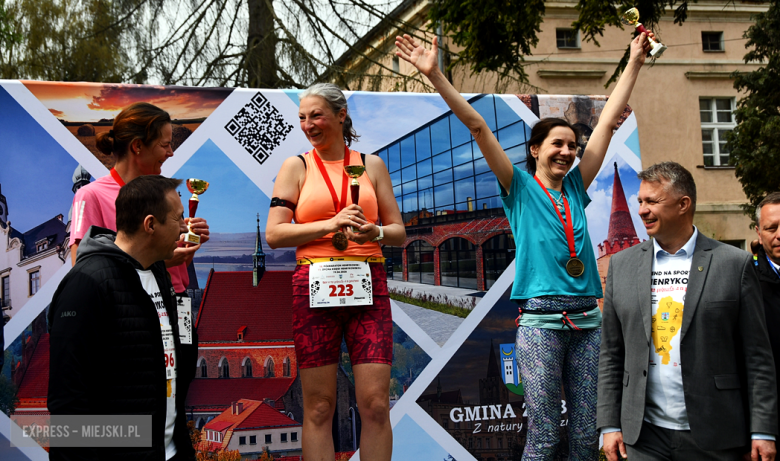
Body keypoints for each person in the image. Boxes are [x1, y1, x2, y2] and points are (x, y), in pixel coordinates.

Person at [396, 33, 650, 459]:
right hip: (541, 324)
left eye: (572, 145)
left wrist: (636, 61)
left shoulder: (576, 187)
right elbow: (478, 126)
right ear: (534, 150)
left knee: (587, 436)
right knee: (546, 434)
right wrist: (435, 74)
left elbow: (606, 122)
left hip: (588, 321)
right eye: (557, 144)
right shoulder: (518, 188)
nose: (567, 151)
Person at [598, 162, 778, 461]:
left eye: (652, 201)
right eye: (640, 201)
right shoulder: (622, 265)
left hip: (715, 433)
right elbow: (611, 354)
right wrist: (608, 423)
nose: (642, 210)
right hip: (644, 436)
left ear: (684, 204)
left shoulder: (733, 264)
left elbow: (757, 355)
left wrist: (762, 431)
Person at [265, 83, 405, 461]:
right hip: (313, 285)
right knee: (319, 407)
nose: (308, 125)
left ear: (341, 115)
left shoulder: (371, 164)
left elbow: (399, 232)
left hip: (368, 285)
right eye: (302, 118)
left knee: (375, 404)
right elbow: (275, 233)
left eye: (316, 116)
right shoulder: (296, 166)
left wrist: (374, 231)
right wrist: (330, 224)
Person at [49, 175, 196, 461]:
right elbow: (68, 406)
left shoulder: (158, 274)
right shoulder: (86, 285)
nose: (184, 228)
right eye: (178, 219)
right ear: (150, 224)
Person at [69, 102, 210, 295]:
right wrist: (160, 260)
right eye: (165, 145)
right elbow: (83, 270)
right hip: (132, 309)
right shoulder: (90, 195)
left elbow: (179, 270)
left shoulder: (166, 193)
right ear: (137, 146)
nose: (171, 153)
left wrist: (189, 246)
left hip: (177, 304)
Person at [754, 192, 780, 433]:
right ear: (759, 234)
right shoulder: (746, 284)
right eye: (771, 228)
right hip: (770, 421)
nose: (779, 235)